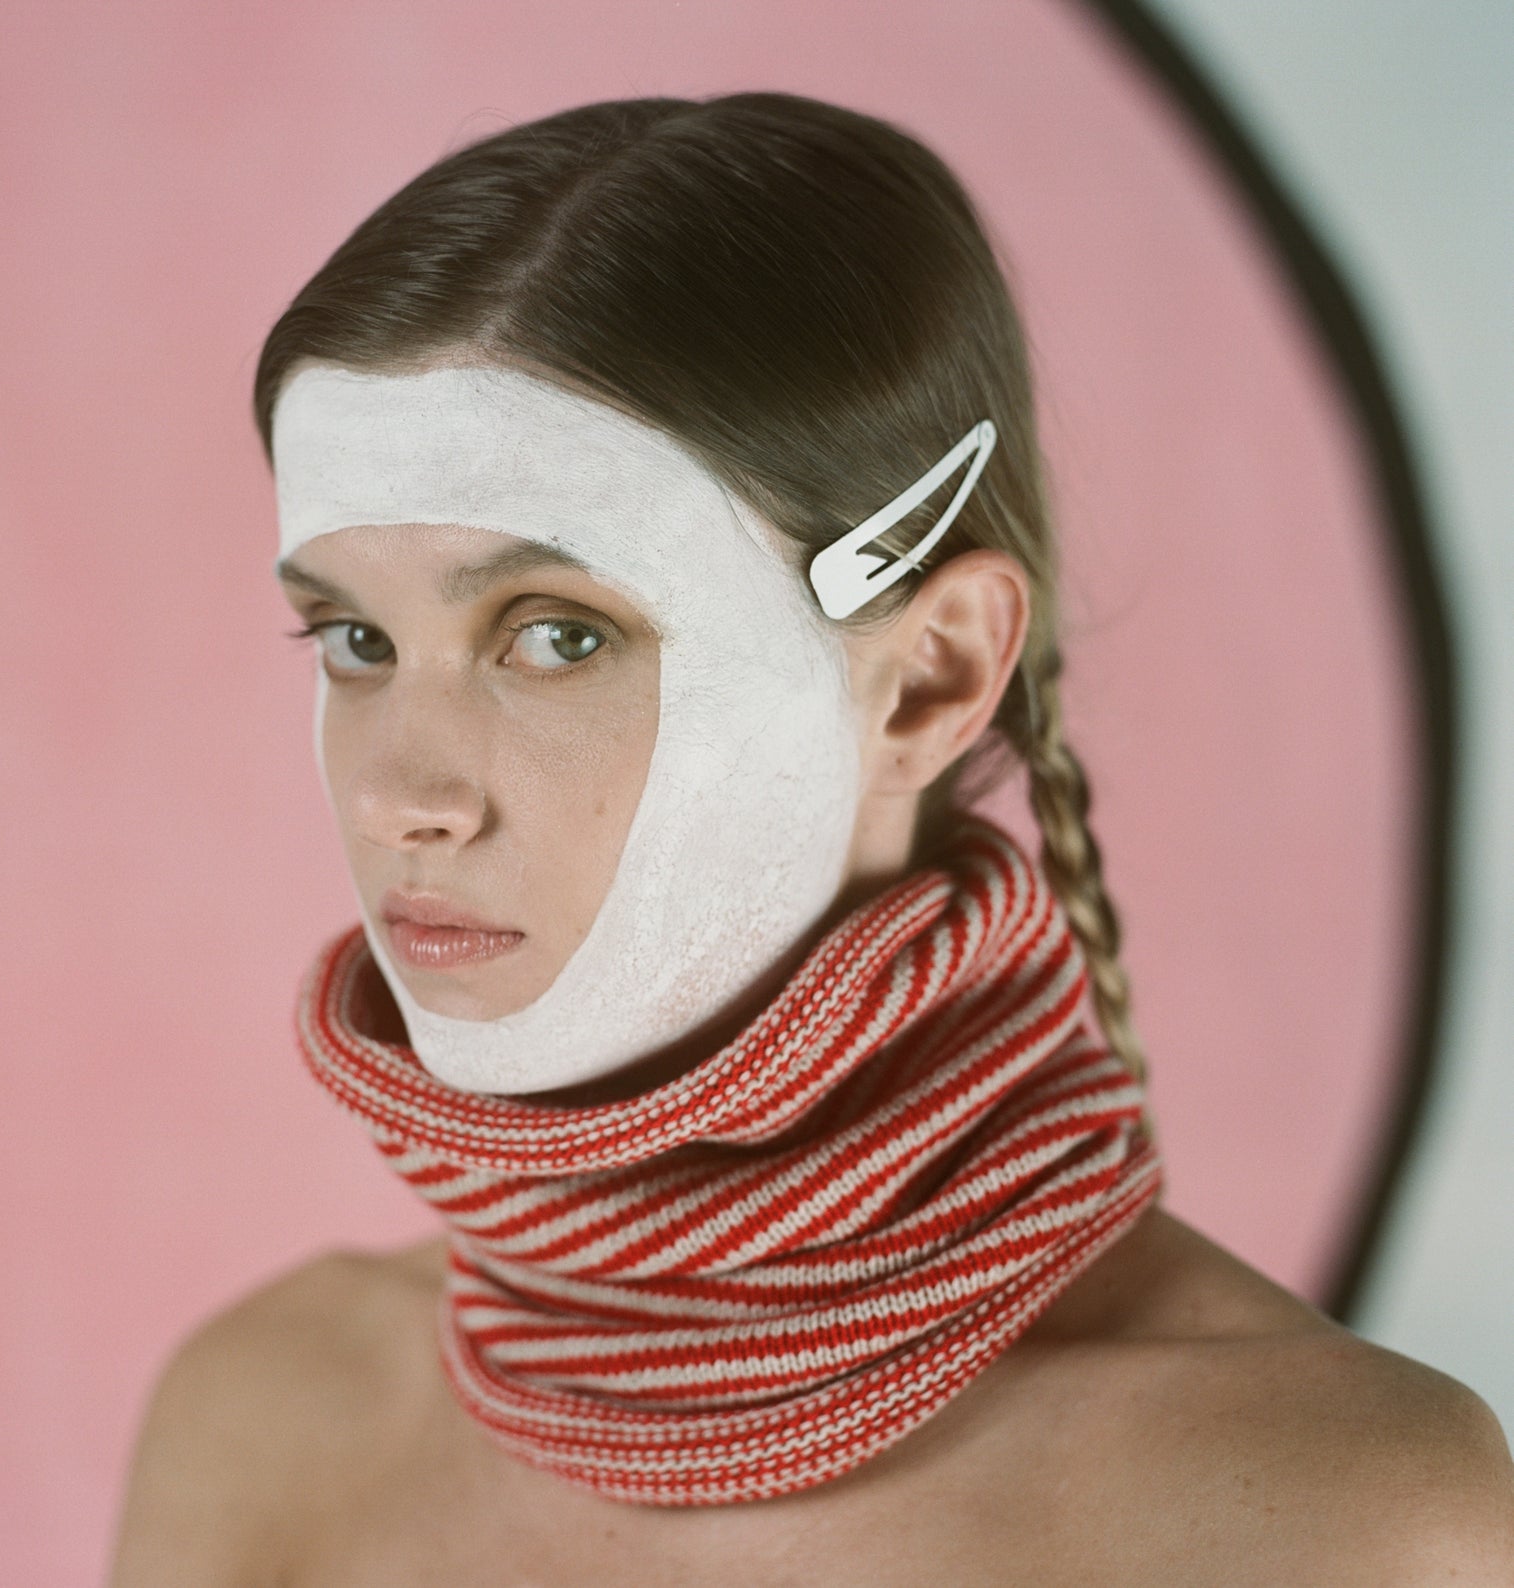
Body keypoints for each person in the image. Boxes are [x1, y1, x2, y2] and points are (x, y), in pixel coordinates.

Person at [108, 92, 1514, 1585]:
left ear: (930, 677)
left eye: (560, 636)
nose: (403, 791)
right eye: (353, 636)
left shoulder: (1332, 1518)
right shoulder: (259, 1421)